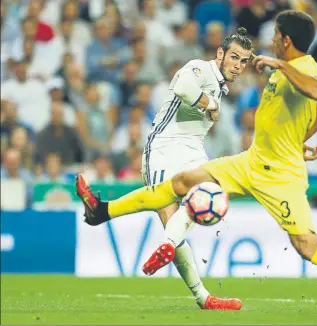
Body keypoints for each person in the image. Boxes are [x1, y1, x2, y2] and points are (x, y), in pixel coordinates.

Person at [75, 11, 317, 321]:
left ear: (286, 41)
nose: (269, 41)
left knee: (308, 248)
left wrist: (283, 69)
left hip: (280, 177)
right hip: (251, 161)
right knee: (182, 183)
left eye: (274, 35)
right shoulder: (240, 71)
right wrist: (300, 137)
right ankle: (102, 210)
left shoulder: (303, 68)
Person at [78, 27, 255, 311]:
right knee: (170, 211)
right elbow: (183, 90)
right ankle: (200, 293)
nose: (238, 64)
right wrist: (210, 104)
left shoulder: (222, 87)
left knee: (205, 194)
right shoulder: (199, 68)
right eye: (234, 56)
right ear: (220, 53)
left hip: (193, 151)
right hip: (164, 147)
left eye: (244, 60)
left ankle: (158, 240)